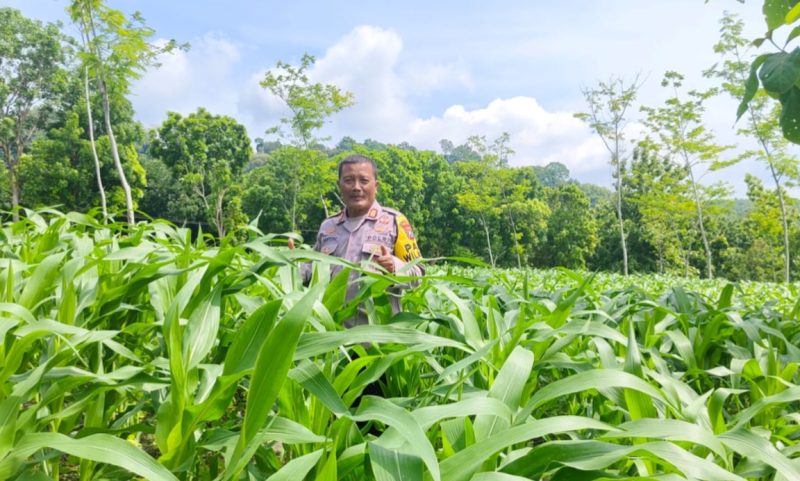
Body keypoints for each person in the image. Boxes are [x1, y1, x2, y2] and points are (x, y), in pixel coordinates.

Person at [294, 154, 424, 327]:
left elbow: (420, 275)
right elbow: (313, 272)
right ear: (339, 185)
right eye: (348, 180)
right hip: (331, 336)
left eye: (363, 180)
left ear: (375, 186)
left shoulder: (395, 222)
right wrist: (293, 265)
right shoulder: (328, 227)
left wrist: (395, 267)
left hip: (377, 339)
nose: (356, 187)